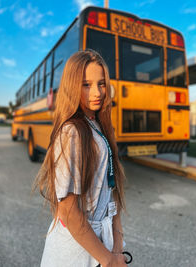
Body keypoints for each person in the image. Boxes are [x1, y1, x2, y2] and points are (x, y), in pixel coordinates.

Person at [33, 49, 127, 267]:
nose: (97, 92)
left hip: (101, 244)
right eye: (86, 84)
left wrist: (117, 243)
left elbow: (111, 192)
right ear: (72, 86)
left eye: (101, 84)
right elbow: (67, 211)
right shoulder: (72, 132)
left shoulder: (97, 126)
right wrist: (109, 260)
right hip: (75, 252)